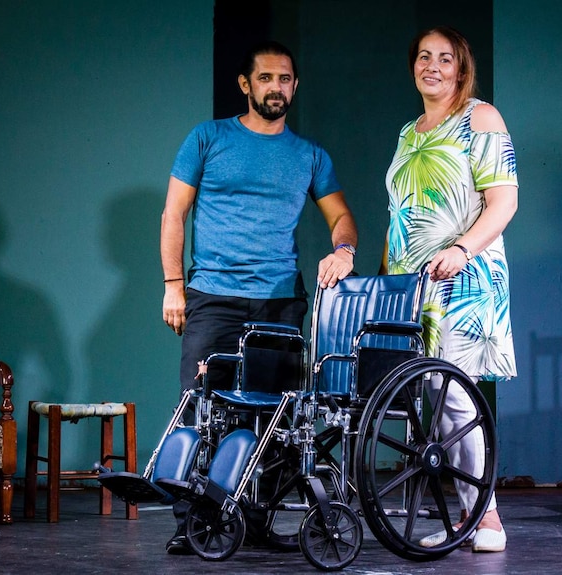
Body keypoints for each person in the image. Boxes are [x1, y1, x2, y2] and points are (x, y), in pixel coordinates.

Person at [160, 40, 357, 554]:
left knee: (274, 419)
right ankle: (193, 523)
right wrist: (173, 286)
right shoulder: (208, 138)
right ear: (246, 85)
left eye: (285, 78)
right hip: (213, 296)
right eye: (266, 78)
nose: (276, 87)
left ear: (295, 86)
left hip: (278, 301)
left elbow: (340, 216)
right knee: (199, 409)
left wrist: (344, 249)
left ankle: (257, 519)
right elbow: (174, 214)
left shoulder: (309, 155)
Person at [381, 26, 518, 553]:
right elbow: (401, 214)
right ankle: (468, 515)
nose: (431, 66)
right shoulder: (409, 132)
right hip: (412, 284)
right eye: (423, 56)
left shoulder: (480, 118)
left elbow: (503, 203)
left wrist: (462, 250)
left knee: (455, 399)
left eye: (444, 58)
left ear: (461, 69)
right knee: (435, 402)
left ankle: (488, 519)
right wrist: (388, 279)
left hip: (463, 277)